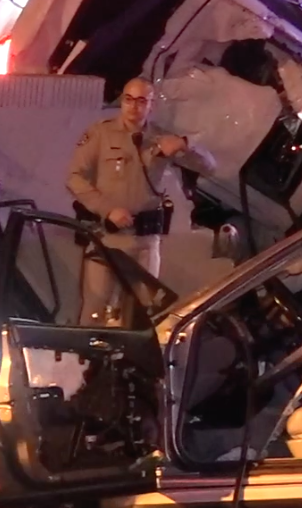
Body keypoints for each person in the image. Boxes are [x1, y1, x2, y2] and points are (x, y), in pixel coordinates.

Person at [67, 77, 217, 324]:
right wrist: (107, 209)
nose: (133, 107)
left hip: (145, 241)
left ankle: (129, 361)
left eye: (141, 101)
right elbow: (74, 178)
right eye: (128, 99)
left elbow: (209, 167)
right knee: (94, 310)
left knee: (142, 315)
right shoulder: (101, 134)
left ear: (151, 105)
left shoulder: (160, 138)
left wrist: (184, 145)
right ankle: (89, 360)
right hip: (108, 237)